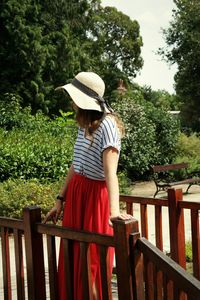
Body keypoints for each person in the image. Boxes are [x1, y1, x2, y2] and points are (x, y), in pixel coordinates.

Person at [43, 71, 133, 300]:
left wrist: (113, 212)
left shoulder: (107, 125)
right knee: (73, 256)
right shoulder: (85, 124)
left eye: (73, 97)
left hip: (95, 199)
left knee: (91, 266)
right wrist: (60, 200)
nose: (71, 102)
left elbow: (110, 173)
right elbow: (76, 164)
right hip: (77, 194)